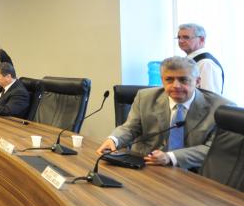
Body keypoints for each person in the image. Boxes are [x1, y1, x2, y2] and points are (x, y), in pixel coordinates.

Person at [96, 55, 231, 169]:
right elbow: (130, 128)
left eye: (183, 80)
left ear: (198, 81)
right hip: (146, 166)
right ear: (162, 80)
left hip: (193, 172)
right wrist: (114, 139)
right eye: (169, 79)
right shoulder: (145, 97)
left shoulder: (221, 108)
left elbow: (214, 149)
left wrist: (171, 157)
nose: (176, 85)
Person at [177, 23, 224, 94]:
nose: (180, 41)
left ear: (202, 39)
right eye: (179, 37)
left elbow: (209, 96)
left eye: (186, 37)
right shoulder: (190, 61)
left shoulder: (206, 63)